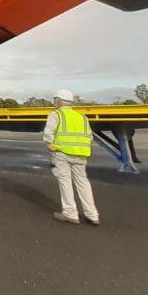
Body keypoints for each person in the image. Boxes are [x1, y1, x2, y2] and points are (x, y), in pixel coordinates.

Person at [43, 89, 100, 226]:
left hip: (62, 153)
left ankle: (70, 213)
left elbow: (48, 132)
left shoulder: (56, 114)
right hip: (81, 154)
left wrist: (49, 145)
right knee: (83, 182)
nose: (54, 102)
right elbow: (90, 137)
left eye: (55, 100)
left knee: (65, 181)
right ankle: (92, 214)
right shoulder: (82, 117)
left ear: (59, 101)